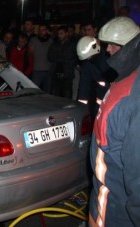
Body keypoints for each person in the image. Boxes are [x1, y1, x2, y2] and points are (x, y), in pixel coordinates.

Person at [89, 16, 140, 226]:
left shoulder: (133, 99)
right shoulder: (123, 78)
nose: (108, 50)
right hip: (103, 200)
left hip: (116, 212)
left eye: (114, 45)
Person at [76, 36, 116, 119]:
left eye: (90, 58)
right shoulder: (87, 65)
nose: (89, 60)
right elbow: (84, 89)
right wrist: (80, 111)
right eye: (87, 59)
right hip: (101, 102)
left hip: (116, 99)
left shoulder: (111, 59)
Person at [48, 25, 77, 98]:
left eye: (61, 33)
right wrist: (64, 58)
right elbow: (50, 57)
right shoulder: (55, 44)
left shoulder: (72, 45)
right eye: (58, 34)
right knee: (54, 97)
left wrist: (59, 57)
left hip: (67, 75)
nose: (59, 35)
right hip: (55, 74)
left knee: (67, 96)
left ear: (66, 33)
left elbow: (72, 57)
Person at [29, 23, 54, 93]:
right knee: (34, 92)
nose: (41, 31)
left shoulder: (51, 41)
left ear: (47, 31)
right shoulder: (33, 40)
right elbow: (29, 55)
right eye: (39, 30)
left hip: (48, 71)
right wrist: (30, 51)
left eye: (43, 30)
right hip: (36, 71)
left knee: (47, 92)